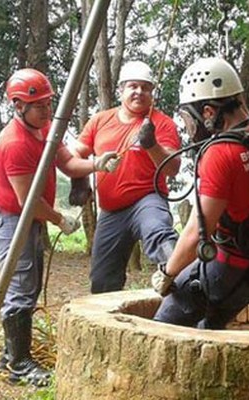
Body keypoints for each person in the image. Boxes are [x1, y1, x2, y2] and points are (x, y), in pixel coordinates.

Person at [0, 68, 119, 386]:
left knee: (28, 286)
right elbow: (26, 201)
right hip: (10, 218)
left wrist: (96, 164)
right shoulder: (14, 143)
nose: (47, 110)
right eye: (40, 105)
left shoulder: (45, 128)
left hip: (27, 217)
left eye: (48, 103)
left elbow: (68, 162)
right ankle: (19, 364)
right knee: (20, 288)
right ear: (19, 106)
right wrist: (60, 219)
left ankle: (10, 356)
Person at [151, 57, 249, 329]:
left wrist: (168, 272)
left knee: (164, 325)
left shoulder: (221, 153)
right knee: (210, 328)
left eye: (190, 117)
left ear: (208, 112)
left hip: (229, 268)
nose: (190, 127)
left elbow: (199, 228)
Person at [74, 60, 181, 294]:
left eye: (145, 87)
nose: (139, 92)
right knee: (102, 279)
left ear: (152, 92)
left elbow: (173, 168)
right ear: (121, 89)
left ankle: (179, 276)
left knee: (158, 231)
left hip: (147, 198)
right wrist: (79, 180)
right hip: (111, 210)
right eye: (133, 86)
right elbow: (74, 155)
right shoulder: (100, 121)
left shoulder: (162, 123)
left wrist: (151, 144)